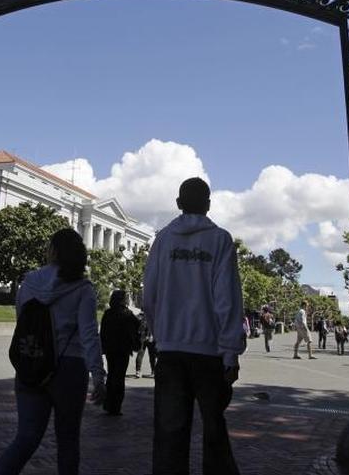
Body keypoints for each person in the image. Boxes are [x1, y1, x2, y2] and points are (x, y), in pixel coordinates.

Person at [143, 178, 244, 475]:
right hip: (210, 351)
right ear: (208, 204)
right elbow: (226, 298)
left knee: (169, 433)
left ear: (178, 203)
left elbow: (149, 294)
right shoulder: (220, 240)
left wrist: (160, 333)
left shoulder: (163, 240)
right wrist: (230, 352)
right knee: (214, 428)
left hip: (171, 350)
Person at [0, 228, 106, 475]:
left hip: (32, 361)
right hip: (70, 367)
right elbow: (89, 334)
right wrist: (98, 374)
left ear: (53, 251)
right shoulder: (83, 288)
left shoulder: (29, 281)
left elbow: (23, 320)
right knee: (67, 440)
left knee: (26, 438)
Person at [99, 289, 140, 415]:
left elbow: (103, 332)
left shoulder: (108, 313)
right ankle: (115, 406)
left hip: (111, 350)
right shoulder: (127, 314)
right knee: (119, 376)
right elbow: (137, 325)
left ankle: (109, 404)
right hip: (122, 350)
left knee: (111, 375)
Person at [134, 311, 157, 378]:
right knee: (152, 356)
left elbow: (136, 327)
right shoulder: (153, 315)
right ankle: (153, 371)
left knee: (140, 354)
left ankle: (138, 371)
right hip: (151, 338)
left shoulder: (139, 316)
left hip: (142, 338)